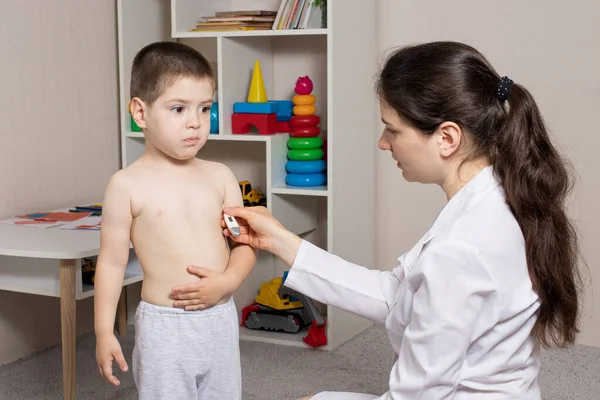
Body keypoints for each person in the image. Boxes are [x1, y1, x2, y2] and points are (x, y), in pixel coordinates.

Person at [170, 41, 583, 399]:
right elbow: (396, 295)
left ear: (447, 138)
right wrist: (280, 241)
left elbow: (415, 395)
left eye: (392, 130)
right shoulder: (492, 199)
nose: (382, 143)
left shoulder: (463, 249)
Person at [93, 41, 256, 399]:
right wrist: (104, 331)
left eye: (205, 108)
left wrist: (227, 280)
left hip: (220, 318)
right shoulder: (126, 185)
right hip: (165, 328)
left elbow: (244, 244)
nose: (195, 122)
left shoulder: (221, 176)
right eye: (179, 108)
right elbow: (111, 261)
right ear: (141, 112)